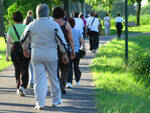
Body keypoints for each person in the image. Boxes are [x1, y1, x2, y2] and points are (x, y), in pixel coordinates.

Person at [21, 4, 68, 110]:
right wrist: (64, 54)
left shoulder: (32, 25)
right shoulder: (54, 25)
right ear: (48, 13)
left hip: (36, 54)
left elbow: (23, 39)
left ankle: (40, 103)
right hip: (51, 55)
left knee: (39, 80)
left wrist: (25, 49)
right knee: (53, 78)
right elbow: (61, 41)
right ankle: (56, 100)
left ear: (36, 13)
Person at [6, 11, 30, 96]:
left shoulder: (11, 28)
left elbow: (8, 42)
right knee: (24, 68)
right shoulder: (26, 27)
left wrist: (7, 55)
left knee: (17, 69)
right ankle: (23, 86)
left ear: (13, 19)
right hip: (24, 48)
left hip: (14, 49)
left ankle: (18, 86)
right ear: (22, 18)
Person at [53, 7, 75, 94]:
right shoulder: (66, 24)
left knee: (55, 69)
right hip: (64, 49)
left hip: (53, 49)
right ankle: (62, 84)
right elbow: (70, 39)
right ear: (62, 14)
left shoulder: (51, 24)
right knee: (66, 67)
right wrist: (73, 50)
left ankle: (58, 84)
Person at [67, 17, 85, 88]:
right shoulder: (78, 31)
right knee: (76, 66)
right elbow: (82, 41)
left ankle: (69, 82)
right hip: (77, 51)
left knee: (69, 67)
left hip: (69, 51)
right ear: (74, 24)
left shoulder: (66, 32)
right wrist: (84, 49)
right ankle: (77, 81)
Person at [23, 16, 34, 88]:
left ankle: (24, 82)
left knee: (25, 67)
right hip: (33, 49)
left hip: (26, 49)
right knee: (32, 67)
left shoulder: (24, 28)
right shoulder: (33, 28)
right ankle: (31, 81)